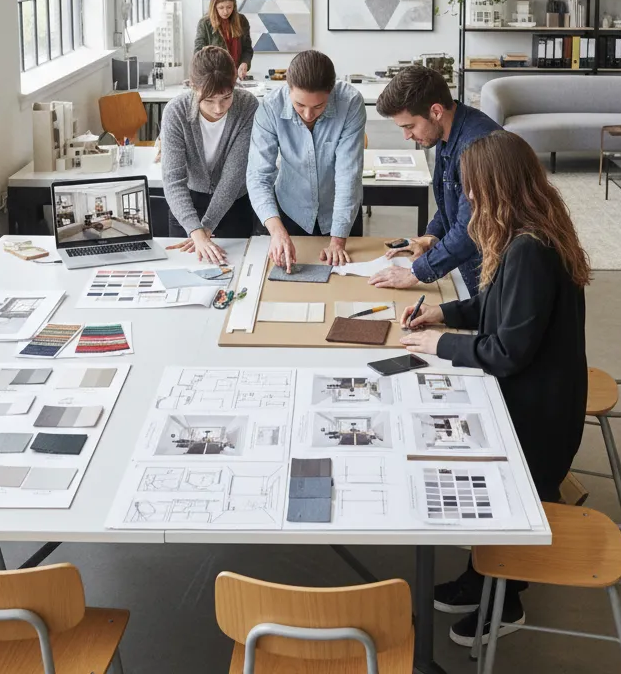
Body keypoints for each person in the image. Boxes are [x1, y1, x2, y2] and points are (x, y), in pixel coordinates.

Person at [399, 130, 589, 648]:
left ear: (498, 187)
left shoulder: (530, 250)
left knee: (455, 454)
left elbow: (507, 351)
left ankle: (508, 595)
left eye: (474, 190)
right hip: (540, 397)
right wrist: (444, 312)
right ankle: (481, 571)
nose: (471, 201)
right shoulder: (528, 232)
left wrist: (441, 345)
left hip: (538, 420)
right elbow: (497, 307)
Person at [370, 65, 499, 295]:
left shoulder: (477, 148)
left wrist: (415, 273)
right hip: (474, 271)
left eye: (409, 126)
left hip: (496, 278)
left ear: (436, 111)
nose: (407, 136)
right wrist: (430, 237)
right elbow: (451, 202)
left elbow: (470, 228)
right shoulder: (446, 132)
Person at [247, 50, 366, 270]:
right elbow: (258, 176)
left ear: (330, 92)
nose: (308, 114)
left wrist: (338, 241)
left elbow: (348, 174)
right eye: (300, 105)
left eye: (318, 106)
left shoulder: (350, 103)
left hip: (339, 213)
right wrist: (277, 231)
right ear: (288, 88)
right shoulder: (269, 108)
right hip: (291, 211)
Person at [161, 46, 259, 264]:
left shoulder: (247, 106)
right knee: (185, 271)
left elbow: (234, 175)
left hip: (234, 205)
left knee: (236, 269)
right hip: (187, 206)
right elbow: (173, 180)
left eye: (226, 97)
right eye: (209, 100)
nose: (218, 108)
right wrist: (196, 231)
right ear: (193, 87)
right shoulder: (175, 112)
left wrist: (206, 228)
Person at [195, 0, 254, 81]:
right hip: (213, 78)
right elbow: (198, 53)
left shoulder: (242, 21)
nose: (225, 11)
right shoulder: (205, 23)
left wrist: (244, 63)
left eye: (229, 7)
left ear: (234, 5)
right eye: (221, 8)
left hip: (236, 77)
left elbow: (247, 49)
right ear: (214, 7)